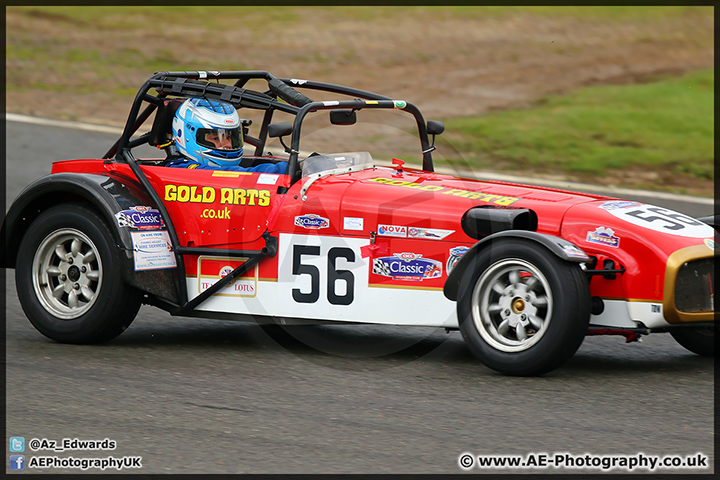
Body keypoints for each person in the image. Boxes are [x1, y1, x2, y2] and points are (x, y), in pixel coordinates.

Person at [167, 97, 288, 174]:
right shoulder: (182, 170)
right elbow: (237, 176)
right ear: (186, 136)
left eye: (229, 136)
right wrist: (289, 169)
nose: (227, 144)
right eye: (216, 138)